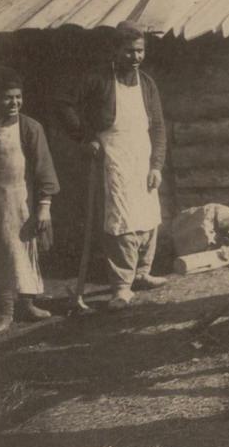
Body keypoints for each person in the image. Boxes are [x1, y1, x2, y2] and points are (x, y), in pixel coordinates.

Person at [57, 20, 167, 310]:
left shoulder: (147, 84)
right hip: (113, 155)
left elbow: (157, 128)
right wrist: (85, 137)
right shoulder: (98, 80)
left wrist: (156, 165)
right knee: (120, 219)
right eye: (129, 51)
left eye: (140, 51)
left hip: (141, 155)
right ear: (115, 51)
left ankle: (142, 273)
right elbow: (64, 104)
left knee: (148, 215)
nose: (136, 57)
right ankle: (121, 287)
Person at [0, 67, 59, 334]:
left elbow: (44, 169)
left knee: (24, 254)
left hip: (20, 202)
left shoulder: (30, 128)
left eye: (18, 97)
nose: (14, 103)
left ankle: (27, 305)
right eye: (7, 98)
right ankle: (5, 311)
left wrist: (43, 208)